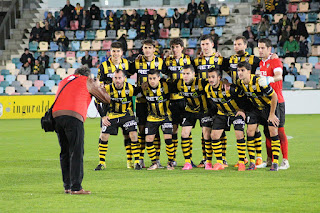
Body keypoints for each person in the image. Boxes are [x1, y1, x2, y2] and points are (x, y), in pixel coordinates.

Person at [53, 66, 110, 194]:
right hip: (73, 116)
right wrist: (98, 85)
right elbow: (105, 98)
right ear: (87, 75)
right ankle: (76, 187)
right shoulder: (87, 81)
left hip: (56, 117)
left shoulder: (64, 80)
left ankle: (67, 186)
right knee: (76, 151)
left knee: (65, 152)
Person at [220, 36, 262, 167]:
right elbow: (219, 66)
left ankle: (259, 156)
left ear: (245, 45)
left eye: (239, 44)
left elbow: (264, 65)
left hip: (250, 96)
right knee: (242, 129)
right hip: (236, 97)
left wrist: (272, 56)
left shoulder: (253, 59)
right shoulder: (231, 59)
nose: (236, 46)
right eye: (235, 44)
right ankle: (243, 158)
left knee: (253, 129)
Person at [128, 39, 165, 168]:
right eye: (145, 47)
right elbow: (126, 72)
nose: (147, 50)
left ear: (154, 49)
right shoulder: (137, 62)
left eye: (150, 47)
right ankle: (141, 159)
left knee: (156, 132)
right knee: (142, 130)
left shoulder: (160, 62)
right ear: (142, 49)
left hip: (156, 102)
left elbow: (167, 77)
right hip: (141, 102)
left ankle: (157, 159)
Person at [236, 61, 280, 171]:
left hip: (269, 107)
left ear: (249, 71)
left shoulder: (259, 81)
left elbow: (274, 97)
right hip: (255, 108)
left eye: (242, 70)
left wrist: (272, 114)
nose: (240, 73)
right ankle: (252, 162)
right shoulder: (240, 83)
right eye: (238, 71)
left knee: (273, 131)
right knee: (250, 131)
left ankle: (275, 162)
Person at [94, 69, 141, 171]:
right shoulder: (107, 89)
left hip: (127, 115)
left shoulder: (130, 88)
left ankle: (135, 161)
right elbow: (96, 101)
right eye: (115, 78)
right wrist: (103, 116)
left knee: (133, 134)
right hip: (112, 115)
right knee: (103, 135)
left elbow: (141, 93)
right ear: (112, 78)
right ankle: (101, 163)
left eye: (120, 78)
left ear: (124, 78)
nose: (117, 80)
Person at [169, 65, 212, 170]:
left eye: (188, 73)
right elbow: (165, 85)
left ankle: (208, 161)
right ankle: (188, 162)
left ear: (194, 74)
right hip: (190, 111)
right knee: (184, 133)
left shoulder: (202, 82)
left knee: (206, 134)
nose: (185, 76)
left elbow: (214, 85)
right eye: (183, 74)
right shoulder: (179, 83)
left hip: (204, 111)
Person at [96, 42, 131, 167]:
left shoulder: (127, 64)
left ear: (122, 53)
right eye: (113, 51)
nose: (116, 53)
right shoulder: (103, 66)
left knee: (127, 132)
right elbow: (99, 84)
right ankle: (101, 162)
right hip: (108, 104)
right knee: (104, 133)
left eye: (118, 51)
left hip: (123, 103)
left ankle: (129, 161)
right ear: (110, 52)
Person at [205, 68, 247, 171]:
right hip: (222, 113)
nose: (211, 79)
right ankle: (219, 162)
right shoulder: (207, 89)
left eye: (213, 77)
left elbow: (244, 97)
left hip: (235, 113)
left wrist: (242, 110)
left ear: (219, 78)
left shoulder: (230, 88)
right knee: (214, 136)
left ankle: (242, 161)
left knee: (239, 134)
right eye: (209, 77)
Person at [257, 38, 289, 170]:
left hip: (278, 101)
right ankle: (269, 160)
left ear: (269, 49)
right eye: (259, 48)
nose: (260, 50)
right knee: (267, 132)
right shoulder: (261, 62)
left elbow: (279, 76)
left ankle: (285, 160)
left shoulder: (275, 61)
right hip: (266, 102)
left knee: (279, 131)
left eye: (263, 48)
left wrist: (268, 79)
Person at [193, 34, 224, 167]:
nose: (205, 47)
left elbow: (232, 70)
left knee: (219, 129)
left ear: (212, 45)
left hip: (218, 99)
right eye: (202, 44)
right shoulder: (196, 61)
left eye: (207, 44)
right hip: (203, 99)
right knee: (204, 129)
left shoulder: (220, 59)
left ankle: (222, 158)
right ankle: (206, 158)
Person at [164, 38, 193, 167]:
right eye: (172, 47)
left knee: (187, 130)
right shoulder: (167, 61)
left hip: (186, 100)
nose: (174, 49)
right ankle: (173, 159)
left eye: (177, 47)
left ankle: (189, 159)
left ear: (182, 47)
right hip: (173, 101)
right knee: (174, 130)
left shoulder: (188, 59)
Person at [139, 69, 175, 170]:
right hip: (152, 118)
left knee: (168, 138)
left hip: (165, 116)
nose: (152, 81)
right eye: (150, 78)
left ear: (159, 78)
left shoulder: (166, 86)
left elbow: (177, 84)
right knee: (148, 140)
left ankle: (170, 162)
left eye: (154, 78)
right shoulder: (144, 88)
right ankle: (154, 163)